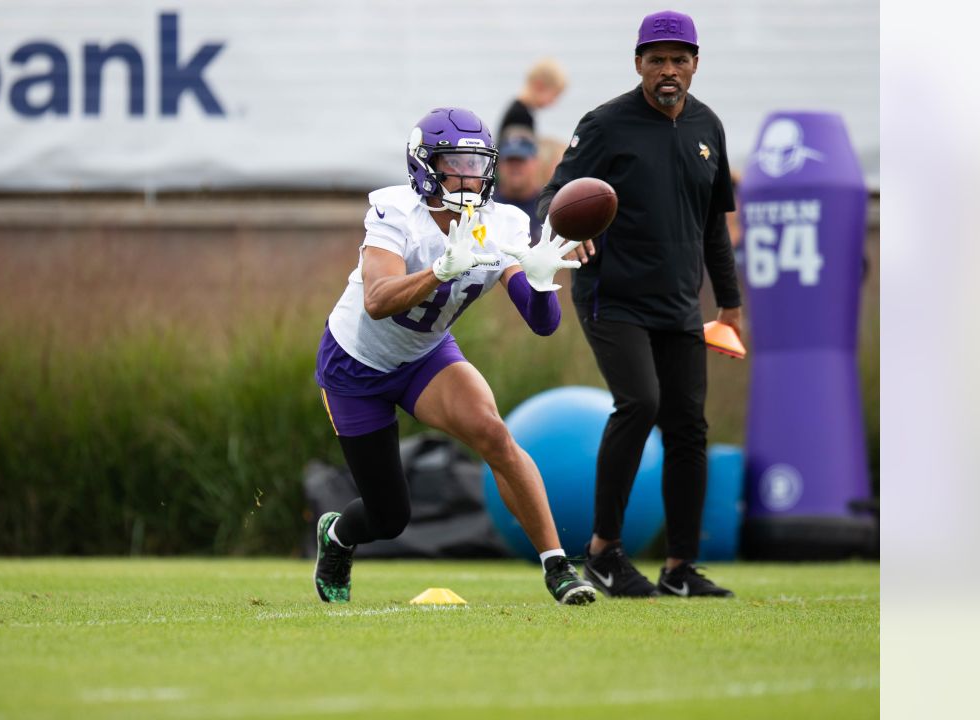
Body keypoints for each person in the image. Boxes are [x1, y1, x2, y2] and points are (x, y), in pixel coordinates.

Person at [313, 106, 595, 606]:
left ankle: (558, 567)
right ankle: (337, 537)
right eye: (453, 163)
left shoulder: (502, 222)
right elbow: (377, 302)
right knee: (388, 517)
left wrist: (542, 279)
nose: (467, 176)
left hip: (425, 356)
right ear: (424, 166)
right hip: (356, 365)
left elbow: (542, 324)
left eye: (475, 164)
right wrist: (439, 272)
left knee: (494, 433)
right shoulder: (395, 211)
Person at [536, 10, 741, 598]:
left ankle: (679, 568)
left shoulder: (709, 128)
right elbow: (556, 193)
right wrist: (566, 230)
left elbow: (713, 227)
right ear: (638, 65)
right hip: (612, 293)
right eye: (657, 61)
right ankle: (603, 553)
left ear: (696, 64)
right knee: (640, 402)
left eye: (680, 60)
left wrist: (729, 304)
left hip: (679, 301)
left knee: (688, 427)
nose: (668, 71)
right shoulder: (604, 124)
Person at [492, 127, 544, 243]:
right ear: (499, 165)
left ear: (535, 163)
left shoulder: (549, 206)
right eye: (510, 161)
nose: (515, 167)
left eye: (521, 160)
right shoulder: (486, 205)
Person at [498, 58, 568, 137]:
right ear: (539, 86)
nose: (553, 102)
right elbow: (518, 148)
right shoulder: (520, 116)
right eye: (554, 96)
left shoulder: (519, 110)